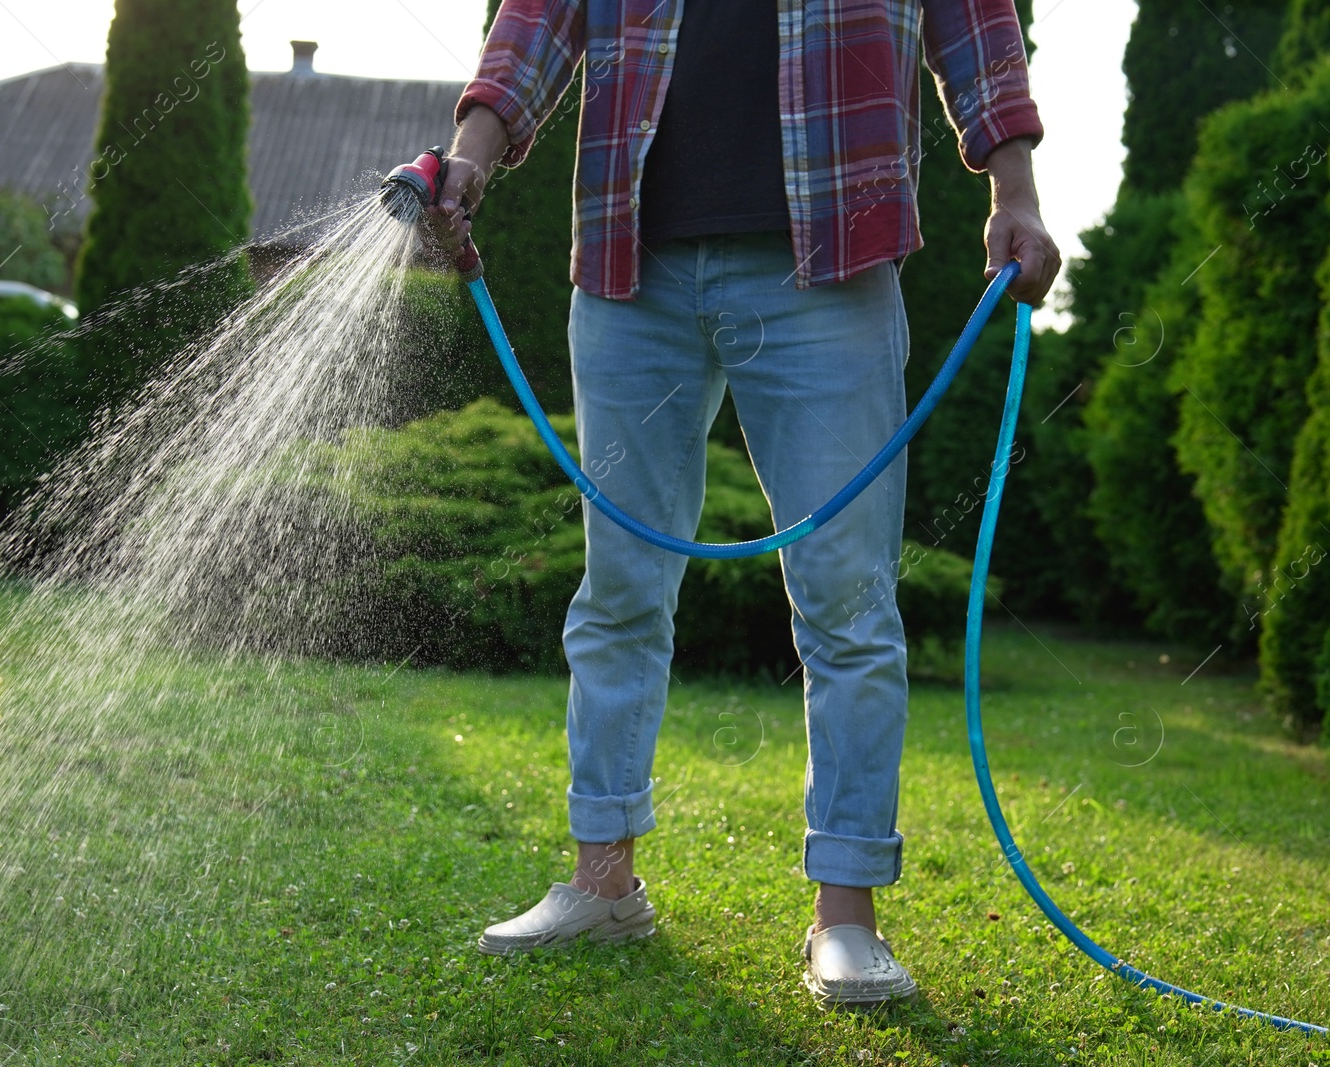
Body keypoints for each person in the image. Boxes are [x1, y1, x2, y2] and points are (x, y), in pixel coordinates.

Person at [427, 0, 1060, 1007]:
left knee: (847, 603)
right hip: (631, 267)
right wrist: (470, 155)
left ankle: (844, 917)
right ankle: (602, 881)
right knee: (620, 588)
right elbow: (538, 19)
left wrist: (1014, 193)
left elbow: (975, 24)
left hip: (832, 260)